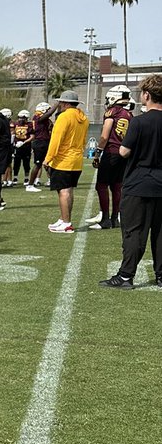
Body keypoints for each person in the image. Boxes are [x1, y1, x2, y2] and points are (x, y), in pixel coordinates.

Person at [100, 74, 162, 288]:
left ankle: (126, 276)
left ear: (147, 95)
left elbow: (124, 151)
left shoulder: (139, 122)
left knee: (134, 231)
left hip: (139, 183)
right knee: (160, 232)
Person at [44, 89, 89, 233]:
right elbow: (83, 141)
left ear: (64, 103)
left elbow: (56, 140)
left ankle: (66, 222)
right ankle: (64, 219)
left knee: (63, 191)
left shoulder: (64, 117)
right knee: (68, 190)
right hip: (76, 159)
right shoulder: (83, 118)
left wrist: (48, 159)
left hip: (63, 159)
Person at [88, 85, 131, 229]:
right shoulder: (128, 114)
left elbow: (105, 135)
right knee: (117, 186)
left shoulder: (112, 112)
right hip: (123, 154)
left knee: (101, 185)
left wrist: (98, 152)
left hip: (111, 152)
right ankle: (114, 219)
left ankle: (105, 219)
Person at [25, 101, 54, 191]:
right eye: (47, 110)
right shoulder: (38, 117)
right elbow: (49, 113)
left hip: (44, 141)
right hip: (40, 142)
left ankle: (52, 181)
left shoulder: (46, 120)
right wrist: (57, 104)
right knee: (38, 164)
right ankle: (30, 185)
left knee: (48, 163)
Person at [11, 110, 33, 184]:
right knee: (16, 162)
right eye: (19, 117)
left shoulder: (30, 125)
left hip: (26, 146)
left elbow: (32, 136)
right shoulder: (16, 124)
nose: (20, 119)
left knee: (26, 163)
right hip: (17, 146)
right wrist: (13, 143)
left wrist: (24, 142)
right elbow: (13, 133)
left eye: (22, 118)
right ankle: (15, 177)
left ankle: (26, 178)